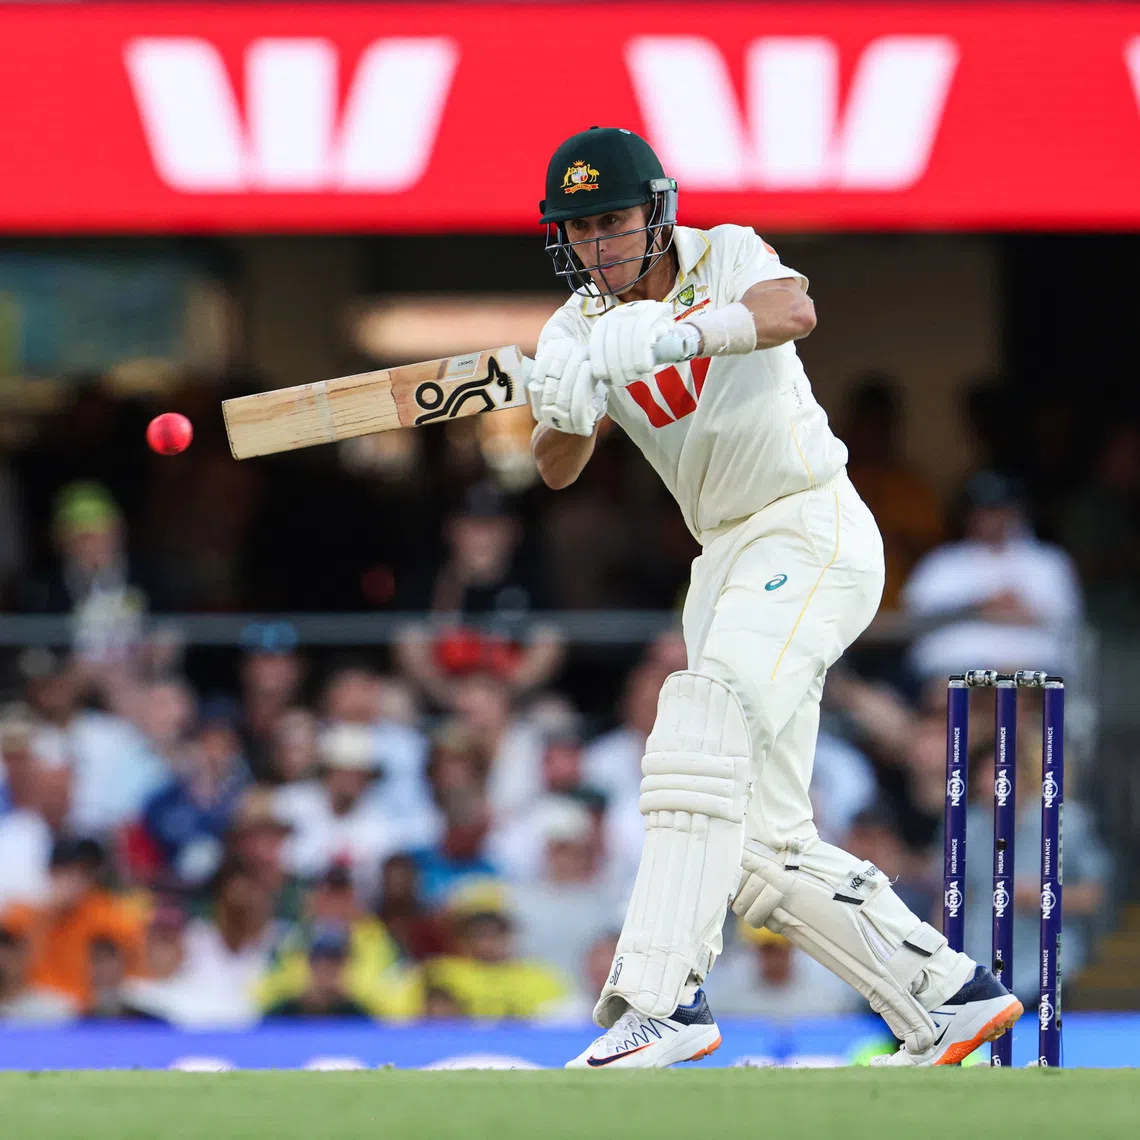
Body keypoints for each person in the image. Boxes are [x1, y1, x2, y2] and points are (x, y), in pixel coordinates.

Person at [528, 125, 1018, 1068]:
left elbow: (793, 311)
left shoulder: (727, 253)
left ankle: (664, 1000)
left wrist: (674, 332)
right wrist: (566, 404)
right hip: (723, 561)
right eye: (581, 229)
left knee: (699, 722)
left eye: (614, 221)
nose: (599, 246)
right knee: (758, 843)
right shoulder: (575, 325)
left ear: (657, 213)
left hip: (808, 523)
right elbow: (557, 468)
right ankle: (948, 998)